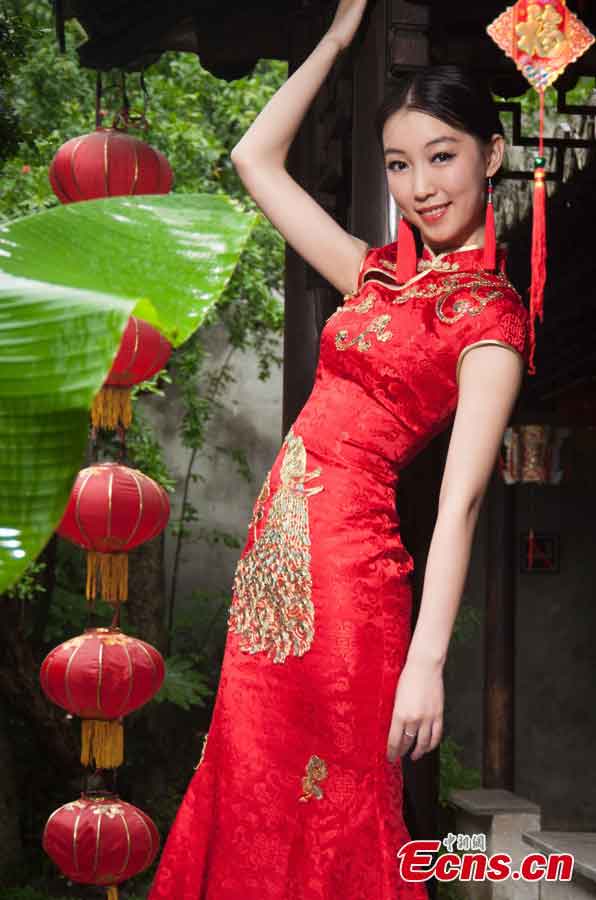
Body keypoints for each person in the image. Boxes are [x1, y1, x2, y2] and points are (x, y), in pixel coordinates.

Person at [147, 1, 529, 897]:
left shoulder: (492, 323)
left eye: (443, 156)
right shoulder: (375, 275)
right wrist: (336, 39)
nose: (422, 184)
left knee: (336, 810)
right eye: (401, 164)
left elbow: (461, 504)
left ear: (492, 154)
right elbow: (253, 159)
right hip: (274, 569)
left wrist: (425, 665)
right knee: (249, 788)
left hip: (355, 584)